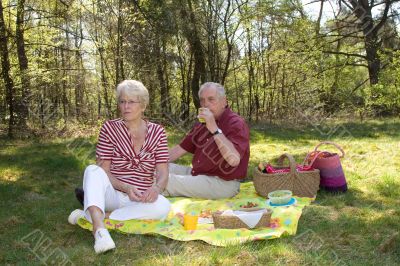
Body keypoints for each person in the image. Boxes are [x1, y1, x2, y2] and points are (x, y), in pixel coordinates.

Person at [68, 80, 171, 254]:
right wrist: (125, 187)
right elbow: (104, 170)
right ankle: (100, 231)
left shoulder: (158, 132)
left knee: (163, 206)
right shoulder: (110, 128)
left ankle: (92, 215)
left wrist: (156, 187)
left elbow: (163, 171)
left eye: (131, 102)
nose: (126, 106)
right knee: (93, 170)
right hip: (113, 193)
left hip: (140, 197)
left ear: (143, 105)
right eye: (122, 101)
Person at [163, 82, 250, 199]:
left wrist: (214, 128)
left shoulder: (236, 123)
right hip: (199, 175)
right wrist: (151, 162)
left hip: (222, 183)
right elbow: (179, 149)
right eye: (203, 100)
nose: (206, 104)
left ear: (224, 101)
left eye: (211, 99)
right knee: (158, 168)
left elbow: (233, 160)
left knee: (165, 181)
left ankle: (136, 200)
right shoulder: (201, 124)